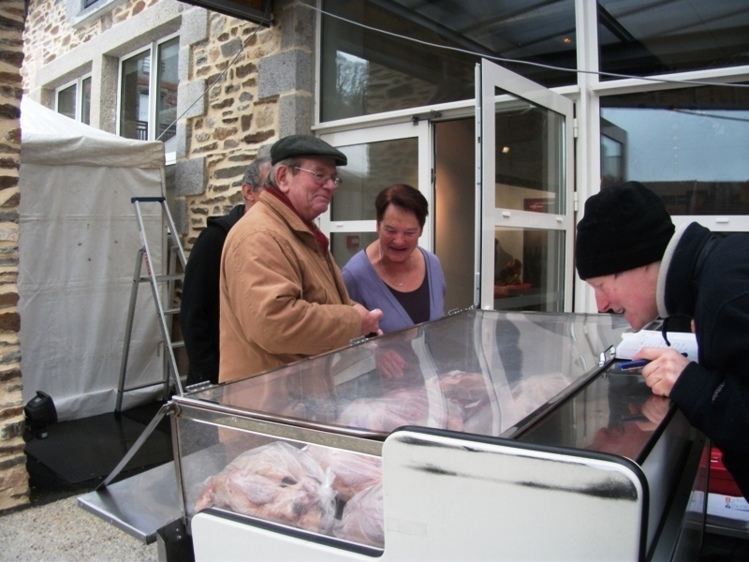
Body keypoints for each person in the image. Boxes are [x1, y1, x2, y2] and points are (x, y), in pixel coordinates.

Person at [575, 180, 749, 501]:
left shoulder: (726, 296)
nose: (601, 305)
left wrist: (692, 383)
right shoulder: (715, 279)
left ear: (637, 261)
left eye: (600, 285)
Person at [218, 134, 383, 383]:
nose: (330, 186)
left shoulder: (297, 230)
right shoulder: (259, 234)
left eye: (333, 179)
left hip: (296, 399)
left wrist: (351, 307)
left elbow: (315, 297)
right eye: (319, 175)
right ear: (284, 177)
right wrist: (353, 321)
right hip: (269, 411)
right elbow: (275, 324)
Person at [180, 157, 271, 387]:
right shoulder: (216, 238)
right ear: (249, 192)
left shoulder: (274, 240)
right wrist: (210, 377)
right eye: (271, 189)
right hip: (219, 378)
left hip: (259, 379)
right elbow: (193, 313)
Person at [342, 183, 446, 335]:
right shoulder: (354, 275)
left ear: (421, 231)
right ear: (378, 225)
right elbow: (343, 343)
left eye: (410, 233)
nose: (399, 241)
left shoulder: (432, 264)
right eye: (391, 230)